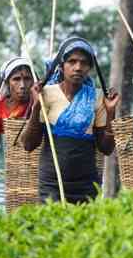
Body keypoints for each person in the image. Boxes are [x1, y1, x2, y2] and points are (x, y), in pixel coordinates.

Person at [22, 37, 119, 203]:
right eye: (72, 62)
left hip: (86, 185)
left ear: (89, 67)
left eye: (84, 63)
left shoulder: (97, 98)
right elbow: (28, 144)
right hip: (52, 183)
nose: (78, 67)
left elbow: (106, 148)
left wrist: (111, 113)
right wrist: (36, 106)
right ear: (61, 65)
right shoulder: (45, 94)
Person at [0, 57, 34, 214]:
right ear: (7, 83)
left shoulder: (40, 104)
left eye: (27, 79)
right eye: (16, 79)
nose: (23, 85)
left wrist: (37, 105)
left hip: (30, 183)